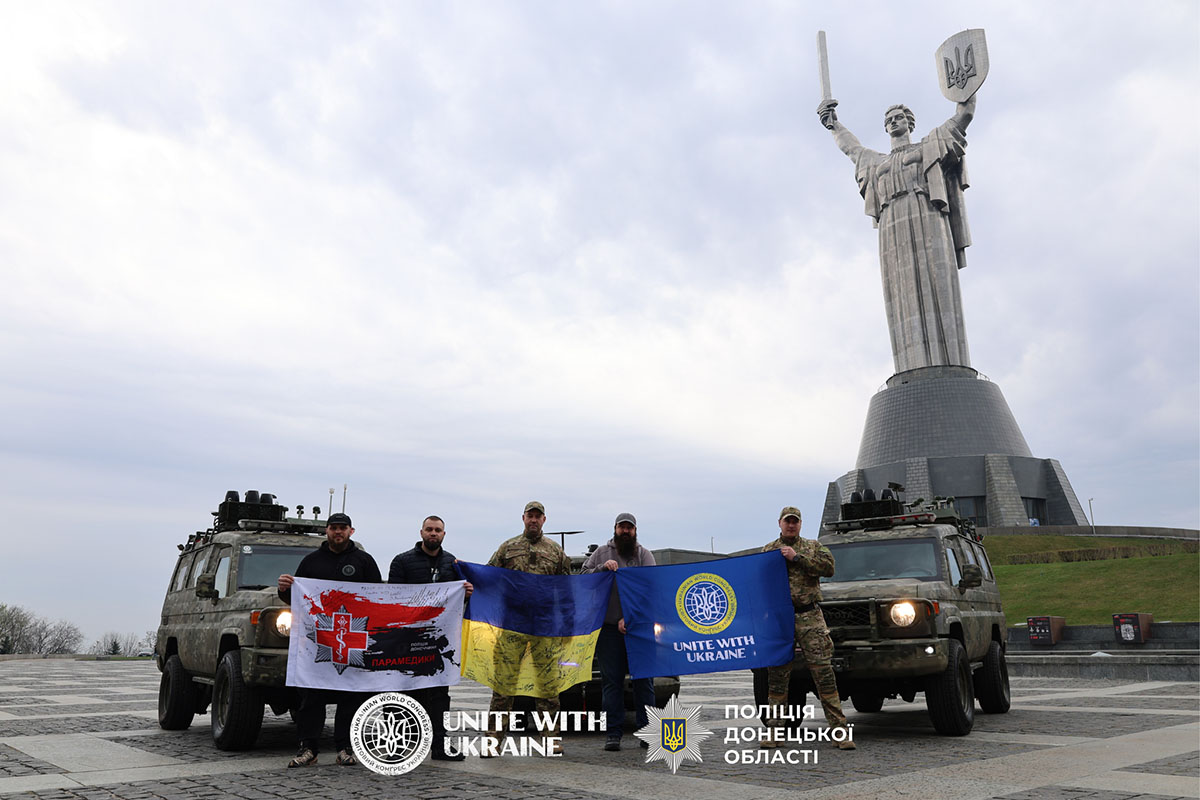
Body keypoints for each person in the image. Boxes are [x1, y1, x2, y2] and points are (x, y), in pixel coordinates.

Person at [818, 94, 976, 374]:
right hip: (892, 225)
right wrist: (834, 126)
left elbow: (962, 118)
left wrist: (967, 90)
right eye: (888, 120)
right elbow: (851, 149)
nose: (893, 123)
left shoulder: (929, 145)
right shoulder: (875, 162)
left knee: (937, 281)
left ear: (909, 123)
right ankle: (911, 367)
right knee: (901, 292)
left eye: (898, 118)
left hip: (926, 213)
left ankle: (950, 363)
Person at [277, 512, 383, 767]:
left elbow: (378, 598)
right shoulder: (311, 562)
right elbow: (297, 600)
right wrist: (284, 590)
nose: (338, 532)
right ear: (327, 531)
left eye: (343, 528)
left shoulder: (364, 561)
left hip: (352, 638)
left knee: (350, 696)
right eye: (334, 528)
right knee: (312, 697)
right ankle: (308, 748)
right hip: (318, 641)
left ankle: (345, 747)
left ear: (351, 531)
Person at [762, 506, 856, 750]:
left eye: (795, 521)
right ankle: (774, 731)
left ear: (800, 524)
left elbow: (829, 568)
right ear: (779, 523)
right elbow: (758, 582)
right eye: (787, 521)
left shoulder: (814, 547)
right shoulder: (768, 551)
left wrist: (797, 558)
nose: (791, 525)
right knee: (777, 676)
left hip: (810, 616)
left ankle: (840, 732)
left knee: (823, 674)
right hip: (781, 619)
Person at [483, 501, 572, 753]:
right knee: (503, 686)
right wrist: (465, 574)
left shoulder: (556, 552)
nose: (533, 520)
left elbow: (566, 591)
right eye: (529, 516)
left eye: (538, 516)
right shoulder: (508, 548)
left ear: (544, 520)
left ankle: (551, 739)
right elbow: (489, 576)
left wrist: (566, 624)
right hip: (512, 625)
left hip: (544, 627)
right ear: (523, 518)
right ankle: (493, 740)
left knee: (547, 686)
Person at [387, 515, 474, 762]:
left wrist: (466, 593)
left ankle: (439, 744)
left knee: (438, 695)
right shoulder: (402, 561)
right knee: (406, 692)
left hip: (439, 642)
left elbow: (457, 602)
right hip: (407, 639)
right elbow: (394, 597)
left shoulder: (452, 563)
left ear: (444, 534)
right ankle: (403, 745)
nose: (433, 533)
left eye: (437, 530)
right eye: (429, 529)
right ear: (421, 532)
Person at [581, 512, 656, 751]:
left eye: (630, 528)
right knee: (611, 683)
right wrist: (602, 568)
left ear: (635, 531)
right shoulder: (601, 553)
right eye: (622, 527)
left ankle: (648, 732)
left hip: (638, 629)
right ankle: (612, 733)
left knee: (644, 682)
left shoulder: (644, 555)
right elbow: (582, 578)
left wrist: (631, 617)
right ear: (615, 529)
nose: (626, 531)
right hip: (609, 629)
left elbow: (650, 589)